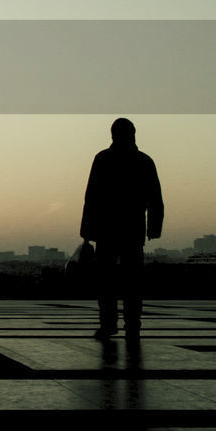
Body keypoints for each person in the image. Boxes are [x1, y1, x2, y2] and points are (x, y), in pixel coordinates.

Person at [80, 117, 163, 340]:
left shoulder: (103, 159)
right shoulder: (143, 161)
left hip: (108, 230)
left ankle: (110, 324)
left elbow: (92, 197)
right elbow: (155, 197)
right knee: (131, 281)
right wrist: (154, 227)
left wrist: (87, 231)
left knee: (108, 281)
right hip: (131, 229)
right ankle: (132, 325)